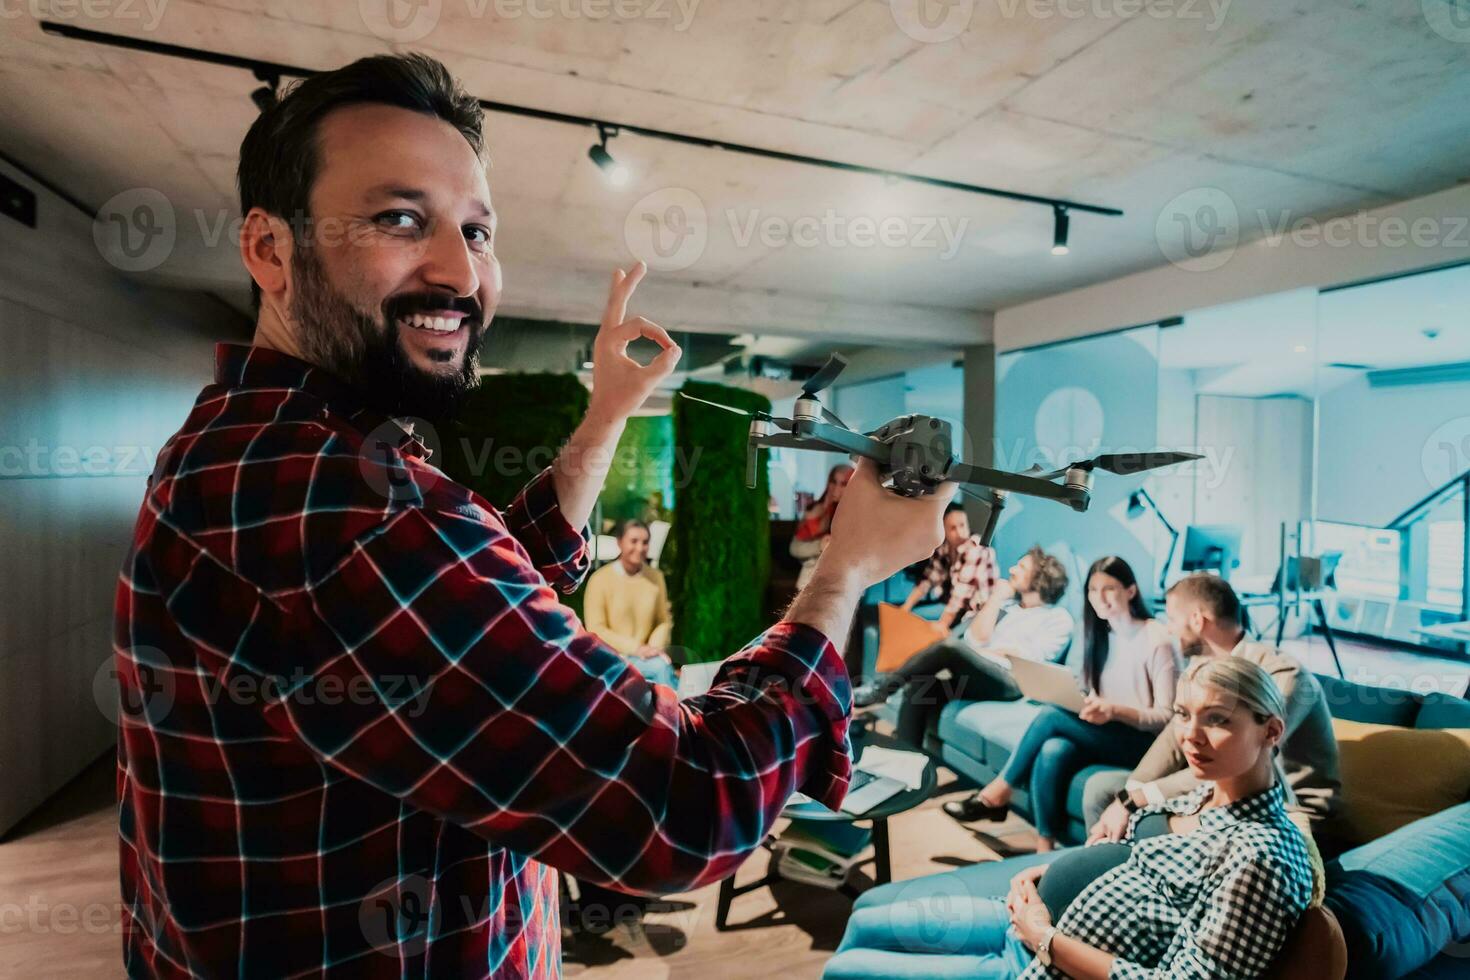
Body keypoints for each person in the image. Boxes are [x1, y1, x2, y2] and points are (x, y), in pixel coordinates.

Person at [111, 53, 953, 978]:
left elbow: (482, 610)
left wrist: (605, 414)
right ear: (271, 249)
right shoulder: (333, 498)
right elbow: (687, 806)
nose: (458, 270)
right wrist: (843, 574)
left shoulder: (252, 443)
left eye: (476, 231)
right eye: (400, 219)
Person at [825, 657, 1318, 979]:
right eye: (1183, 715)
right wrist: (1045, 872)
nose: (1191, 736)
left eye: (1218, 720)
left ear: (1271, 731)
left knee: (847, 970)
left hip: (1044, 964)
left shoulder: (1261, 856)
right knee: (865, 919)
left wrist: (1046, 937)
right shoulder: (1206, 794)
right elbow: (1138, 863)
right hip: (1023, 920)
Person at [1086, 572, 1342, 846]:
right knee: (1101, 789)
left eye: (1172, 619)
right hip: (1221, 790)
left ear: (1197, 619)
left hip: (1289, 811)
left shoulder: (1283, 674)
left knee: (1145, 824)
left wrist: (1138, 799)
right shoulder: (1202, 668)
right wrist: (1132, 791)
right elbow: (1173, 737)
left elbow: (1237, 763)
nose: (1169, 630)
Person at [943, 556, 1180, 848]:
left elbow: (1166, 718)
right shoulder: (1100, 632)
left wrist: (1115, 710)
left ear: (1131, 591)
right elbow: (1087, 686)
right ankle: (1045, 846)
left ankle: (997, 792)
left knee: (1051, 716)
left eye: (1109, 588)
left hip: (1143, 744)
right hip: (1107, 729)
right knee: (1053, 749)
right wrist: (1087, 700)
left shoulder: (1157, 639)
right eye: (1093, 590)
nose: (1099, 598)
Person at [853, 547, 1073, 746]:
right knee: (921, 688)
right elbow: (975, 640)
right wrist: (995, 598)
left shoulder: (1057, 618)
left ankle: (880, 691)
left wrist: (983, 652)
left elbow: (1028, 658)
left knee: (949, 647)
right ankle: (906, 759)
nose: (1013, 569)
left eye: (1022, 567)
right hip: (983, 675)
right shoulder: (1008, 607)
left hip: (1012, 683)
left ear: (1040, 577)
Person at [583, 519, 676, 688]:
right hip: (613, 658)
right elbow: (595, 628)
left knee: (661, 668)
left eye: (645, 542)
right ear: (619, 542)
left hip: (648, 656)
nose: (640, 548)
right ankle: (675, 712)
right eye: (634, 541)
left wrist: (653, 649)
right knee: (661, 670)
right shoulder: (599, 580)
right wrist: (636, 648)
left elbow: (663, 620)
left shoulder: (656, 577)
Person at [899, 502, 1000, 633]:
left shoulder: (976, 549)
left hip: (976, 612)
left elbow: (961, 594)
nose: (959, 532)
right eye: (952, 528)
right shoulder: (944, 549)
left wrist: (942, 624)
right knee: (908, 620)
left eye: (962, 525)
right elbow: (928, 579)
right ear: (944, 531)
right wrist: (906, 607)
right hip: (954, 607)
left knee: (924, 629)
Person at [791, 462, 854, 590]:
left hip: (842, 585)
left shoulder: (856, 514)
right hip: (810, 583)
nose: (836, 488)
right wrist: (819, 545)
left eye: (843, 484)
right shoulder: (817, 509)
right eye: (833, 481)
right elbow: (795, 548)